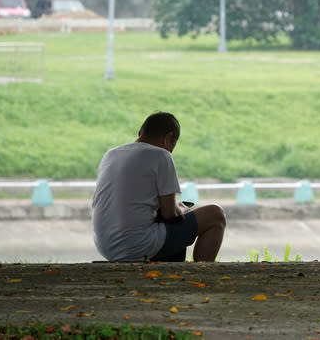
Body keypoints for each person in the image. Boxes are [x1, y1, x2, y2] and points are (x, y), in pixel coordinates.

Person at [92, 112, 226, 262]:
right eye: (173, 146)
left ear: (140, 133)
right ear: (168, 139)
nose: (171, 151)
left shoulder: (111, 154)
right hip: (136, 246)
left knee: (165, 225)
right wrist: (182, 208)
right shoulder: (162, 155)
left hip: (106, 246)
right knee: (216, 214)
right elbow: (170, 213)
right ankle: (203, 274)